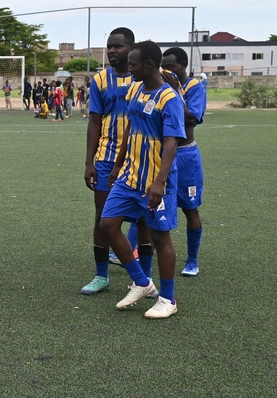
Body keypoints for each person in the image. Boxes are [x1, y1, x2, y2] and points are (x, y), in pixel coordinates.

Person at [100, 40, 185, 319]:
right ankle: (142, 282)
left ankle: (168, 299)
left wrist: (160, 182)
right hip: (129, 175)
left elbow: (171, 143)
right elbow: (129, 130)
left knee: (161, 238)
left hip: (155, 180)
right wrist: (118, 163)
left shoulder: (168, 98)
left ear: (149, 65)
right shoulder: (135, 89)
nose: (129, 68)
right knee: (108, 224)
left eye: (133, 64)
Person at [82, 27, 136, 296]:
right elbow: (94, 122)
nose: (112, 51)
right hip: (106, 158)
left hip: (139, 159)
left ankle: (141, 277)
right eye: (109, 47)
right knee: (102, 217)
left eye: (118, 46)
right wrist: (89, 162)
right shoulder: (101, 80)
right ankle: (101, 275)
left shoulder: (144, 79)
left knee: (142, 219)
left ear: (131, 47)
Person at [161, 47, 206, 277]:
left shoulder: (194, 87)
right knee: (151, 204)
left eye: (171, 67)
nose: (167, 71)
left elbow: (191, 118)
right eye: (164, 67)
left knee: (190, 209)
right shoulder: (161, 87)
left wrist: (176, 90)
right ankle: (134, 250)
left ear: (183, 65)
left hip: (186, 155)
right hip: (162, 154)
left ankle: (192, 260)